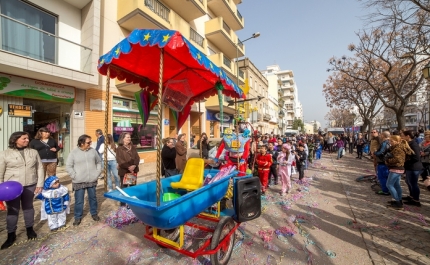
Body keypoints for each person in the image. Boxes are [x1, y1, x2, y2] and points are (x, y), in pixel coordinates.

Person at [0, 132, 44, 249]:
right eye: (24, 138)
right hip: (11, 187)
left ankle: (30, 230)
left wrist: (40, 183)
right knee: (13, 210)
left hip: (30, 184)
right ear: (15, 140)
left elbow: (39, 167)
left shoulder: (33, 152)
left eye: (28, 138)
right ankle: (11, 235)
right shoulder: (5, 154)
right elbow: (0, 172)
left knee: (28, 207)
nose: (27, 140)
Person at [66, 134, 102, 226]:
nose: (90, 143)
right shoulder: (73, 153)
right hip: (79, 181)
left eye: (90, 142)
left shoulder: (93, 151)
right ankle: (77, 217)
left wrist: (97, 173)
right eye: (88, 142)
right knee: (79, 200)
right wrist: (74, 176)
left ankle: (94, 213)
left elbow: (98, 162)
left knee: (93, 198)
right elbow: (69, 166)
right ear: (81, 143)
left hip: (92, 180)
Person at [385, 135, 414, 210]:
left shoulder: (398, 149)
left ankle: (397, 201)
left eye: (392, 141)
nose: (390, 142)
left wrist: (387, 160)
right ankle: (399, 200)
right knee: (396, 185)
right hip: (398, 169)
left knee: (389, 185)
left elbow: (398, 160)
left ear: (397, 141)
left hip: (396, 169)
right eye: (390, 141)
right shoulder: (395, 148)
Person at [116, 132, 140, 205]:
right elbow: (119, 160)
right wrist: (129, 167)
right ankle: (123, 205)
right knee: (124, 188)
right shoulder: (119, 148)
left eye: (129, 137)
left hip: (132, 171)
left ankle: (132, 204)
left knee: (132, 188)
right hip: (124, 171)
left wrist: (134, 165)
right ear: (123, 139)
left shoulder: (132, 147)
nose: (129, 138)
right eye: (127, 137)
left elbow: (137, 157)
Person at [401, 130, 423, 207]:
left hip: (414, 167)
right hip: (409, 167)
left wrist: (406, 163)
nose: (401, 137)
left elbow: (416, 157)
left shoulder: (414, 145)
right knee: (408, 182)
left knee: (413, 184)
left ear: (408, 136)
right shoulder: (408, 144)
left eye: (403, 136)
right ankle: (411, 196)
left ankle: (416, 200)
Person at [374, 131, 391, 196]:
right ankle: (387, 189)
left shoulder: (384, 143)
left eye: (381, 135)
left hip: (382, 162)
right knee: (386, 177)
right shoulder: (389, 142)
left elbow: (381, 152)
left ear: (383, 136)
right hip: (385, 162)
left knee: (382, 177)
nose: (380, 136)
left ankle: (385, 190)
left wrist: (375, 153)